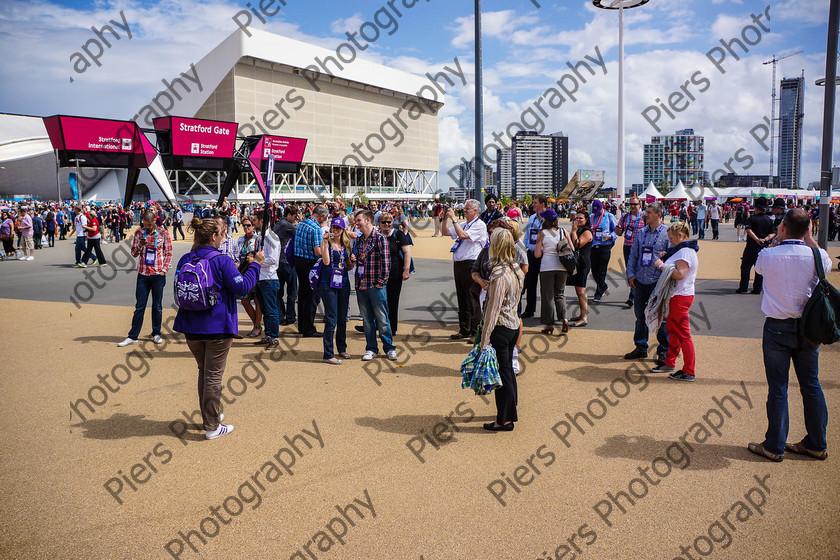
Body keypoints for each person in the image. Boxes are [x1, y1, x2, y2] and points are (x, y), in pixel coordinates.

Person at [748, 209, 831, 462]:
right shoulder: (817, 255)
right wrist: (808, 237)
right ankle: (816, 442)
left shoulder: (768, 254)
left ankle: (774, 445)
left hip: (777, 326)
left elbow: (759, 270)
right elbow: (823, 263)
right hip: (809, 327)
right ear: (808, 230)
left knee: (778, 388)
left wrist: (777, 240)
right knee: (811, 385)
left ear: (782, 227)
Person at [174, 217, 264, 440]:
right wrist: (256, 265)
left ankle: (210, 416)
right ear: (213, 237)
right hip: (217, 326)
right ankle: (212, 425)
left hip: (190, 325)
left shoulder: (186, 258)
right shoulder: (221, 260)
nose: (224, 238)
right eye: (222, 235)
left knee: (204, 372)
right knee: (213, 376)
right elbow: (242, 287)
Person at [481, 228, 525, 432]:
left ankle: (504, 420)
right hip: (513, 324)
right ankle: (509, 411)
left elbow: (492, 310)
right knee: (508, 373)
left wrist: (484, 339)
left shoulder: (499, 274)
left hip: (501, 326)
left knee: (502, 375)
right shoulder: (515, 269)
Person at [651, 222, 699, 381]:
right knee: (674, 332)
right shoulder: (683, 250)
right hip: (678, 295)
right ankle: (670, 362)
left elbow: (679, 274)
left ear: (680, 235)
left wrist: (662, 265)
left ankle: (689, 370)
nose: (670, 241)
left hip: (679, 296)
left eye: (671, 238)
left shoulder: (684, 252)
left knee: (683, 334)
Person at [118, 211, 174, 347]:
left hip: (157, 274)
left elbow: (169, 253)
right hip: (143, 274)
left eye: (149, 224)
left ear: (154, 221)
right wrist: (140, 245)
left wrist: (163, 270)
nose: (147, 227)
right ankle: (133, 336)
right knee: (139, 306)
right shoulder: (139, 234)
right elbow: (133, 253)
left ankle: (156, 333)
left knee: (157, 306)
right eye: (145, 224)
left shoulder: (163, 233)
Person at [624, 202, 670, 362]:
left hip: (657, 283)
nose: (646, 215)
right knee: (640, 316)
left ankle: (664, 350)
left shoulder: (667, 234)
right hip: (640, 281)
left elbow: (672, 258)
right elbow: (633, 256)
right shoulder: (641, 233)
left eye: (649, 212)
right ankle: (641, 347)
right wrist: (630, 275)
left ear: (658, 215)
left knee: (660, 318)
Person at [351, 209, 397, 361]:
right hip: (361, 284)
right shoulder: (359, 240)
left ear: (367, 221)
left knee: (382, 318)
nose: (356, 223)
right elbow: (358, 258)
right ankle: (371, 348)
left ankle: (389, 348)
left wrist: (380, 283)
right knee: (367, 320)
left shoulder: (379, 238)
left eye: (358, 220)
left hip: (375, 285)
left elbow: (386, 263)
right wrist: (353, 258)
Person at [441, 199, 488, 340]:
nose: (465, 210)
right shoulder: (463, 224)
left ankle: (475, 331)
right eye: (465, 208)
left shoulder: (479, 225)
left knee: (472, 297)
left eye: (468, 209)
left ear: (476, 211)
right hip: (459, 263)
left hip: (471, 263)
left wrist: (454, 218)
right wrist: (445, 218)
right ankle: (464, 329)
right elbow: (445, 232)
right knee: (462, 296)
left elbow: (463, 235)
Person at [320, 218, 354, 364]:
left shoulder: (346, 244)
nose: (336, 230)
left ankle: (342, 348)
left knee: (342, 318)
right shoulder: (327, 243)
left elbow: (348, 266)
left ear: (343, 229)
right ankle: (328, 354)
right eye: (334, 227)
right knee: (331, 318)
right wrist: (326, 241)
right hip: (328, 283)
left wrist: (352, 261)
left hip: (343, 282)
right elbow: (326, 261)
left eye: (339, 228)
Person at [294, 206, 329, 338]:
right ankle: (308, 328)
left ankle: (302, 326)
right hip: (309, 263)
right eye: (325, 218)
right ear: (321, 216)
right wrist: (327, 248)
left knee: (302, 294)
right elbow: (318, 251)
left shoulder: (301, 224)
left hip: (299, 261)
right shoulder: (315, 229)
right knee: (311, 296)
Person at [534, 209, 568, 334]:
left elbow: (537, 254)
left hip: (547, 266)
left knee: (547, 296)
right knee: (560, 294)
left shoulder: (542, 233)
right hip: (562, 266)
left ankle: (549, 324)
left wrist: (543, 249)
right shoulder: (562, 231)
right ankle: (564, 318)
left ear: (546, 220)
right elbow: (572, 248)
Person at [378, 212, 412, 335]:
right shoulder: (376, 235)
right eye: (384, 222)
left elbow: (407, 252)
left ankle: (391, 327)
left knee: (392, 301)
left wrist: (406, 270)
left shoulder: (398, 235)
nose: (386, 224)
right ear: (379, 223)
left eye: (389, 222)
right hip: (378, 273)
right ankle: (377, 325)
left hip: (395, 273)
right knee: (378, 301)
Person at [252, 212, 282, 350]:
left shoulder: (272, 237)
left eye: (255, 220)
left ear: (262, 221)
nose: (253, 222)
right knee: (264, 309)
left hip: (269, 278)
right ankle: (268, 335)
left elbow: (273, 259)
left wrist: (256, 261)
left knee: (271, 310)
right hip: (261, 278)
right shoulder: (261, 236)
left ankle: (274, 337)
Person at [737, 198, 774, 294]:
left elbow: (748, 230)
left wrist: (757, 239)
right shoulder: (769, 220)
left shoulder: (752, 219)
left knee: (745, 267)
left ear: (756, 208)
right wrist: (765, 239)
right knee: (759, 268)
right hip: (763, 247)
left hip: (751, 247)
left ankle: (743, 287)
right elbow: (773, 233)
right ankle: (757, 288)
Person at [615, 197, 645, 307]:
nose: (632, 206)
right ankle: (634, 293)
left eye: (635, 204)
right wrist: (617, 229)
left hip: (640, 248)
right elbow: (619, 232)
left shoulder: (644, 217)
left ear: (639, 205)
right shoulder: (625, 216)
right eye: (631, 204)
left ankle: (633, 295)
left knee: (639, 269)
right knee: (630, 270)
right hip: (627, 246)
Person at [521, 194, 548, 317]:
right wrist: (525, 247)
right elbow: (527, 233)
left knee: (545, 284)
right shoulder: (532, 217)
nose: (533, 205)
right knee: (529, 282)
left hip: (545, 255)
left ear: (542, 204)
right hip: (531, 253)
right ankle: (530, 309)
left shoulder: (550, 217)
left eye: (535, 203)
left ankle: (546, 312)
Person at [273, 204, 298, 327]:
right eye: (294, 216)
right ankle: (291, 317)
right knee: (292, 292)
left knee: (279, 292)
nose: (295, 219)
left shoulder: (277, 224)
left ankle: (280, 316)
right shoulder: (287, 225)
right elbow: (298, 231)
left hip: (278, 262)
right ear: (288, 215)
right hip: (287, 262)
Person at [237, 216, 262, 338]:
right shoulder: (241, 239)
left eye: (248, 225)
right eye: (244, 225)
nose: (246, 227)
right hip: (243, 272)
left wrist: (253, 260)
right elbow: (237, 255)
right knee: (244, 300)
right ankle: (256, 324)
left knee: (257, 300)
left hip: (255, 271)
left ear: (253, 226)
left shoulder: (258, 238)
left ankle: (257, 327)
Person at [589, 199, 618, 303]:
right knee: (594, 271)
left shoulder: (609, 216)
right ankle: (604, 286)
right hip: (593, 247)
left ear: (602, 208)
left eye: (598, 211)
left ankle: (598, 293)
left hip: (604, 246)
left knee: (601, 271)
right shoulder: (592, 217)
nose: (596, 213)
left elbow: (616, 230)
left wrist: (610, 236)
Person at [567, 210, 593, 328]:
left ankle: (584, 317)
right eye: (576, 218)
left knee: (581, 289)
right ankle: (581, 315)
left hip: (583, 263)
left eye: (581, 218)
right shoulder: (578, 230)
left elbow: (578, 244)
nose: (577, 220)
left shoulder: (587, 232)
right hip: (577, 262)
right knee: (578, 290)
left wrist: (573, 231)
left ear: (586, 220)